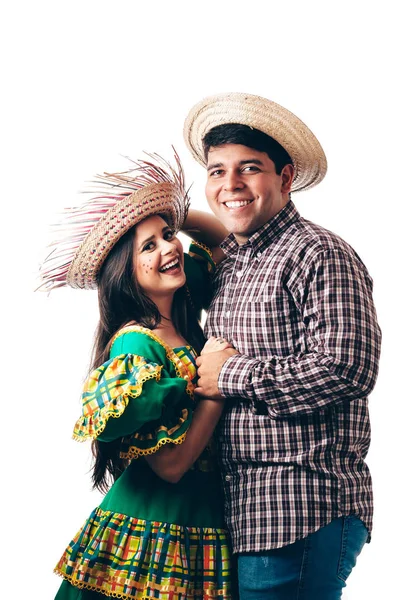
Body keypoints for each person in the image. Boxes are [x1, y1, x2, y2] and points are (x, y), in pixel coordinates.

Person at [183, 92, 382, 599]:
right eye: (216, 172)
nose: (230, 185)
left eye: (249, 169)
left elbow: (347, 368)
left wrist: (231, 374)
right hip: (245, 512)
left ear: (286, 177)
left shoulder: (318, 253)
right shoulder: (234, 260)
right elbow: (208, 225)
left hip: (301, 505)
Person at [38, 151, 235, 599]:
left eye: (168, 236)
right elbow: (169, 466)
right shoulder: (136, 343)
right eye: (149, 246)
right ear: (124, 273)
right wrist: (215, 391)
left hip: (195, 529)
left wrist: (167, 212)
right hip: (150, 534)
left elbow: (224, 239)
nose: (169, 248)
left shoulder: (183, 324)